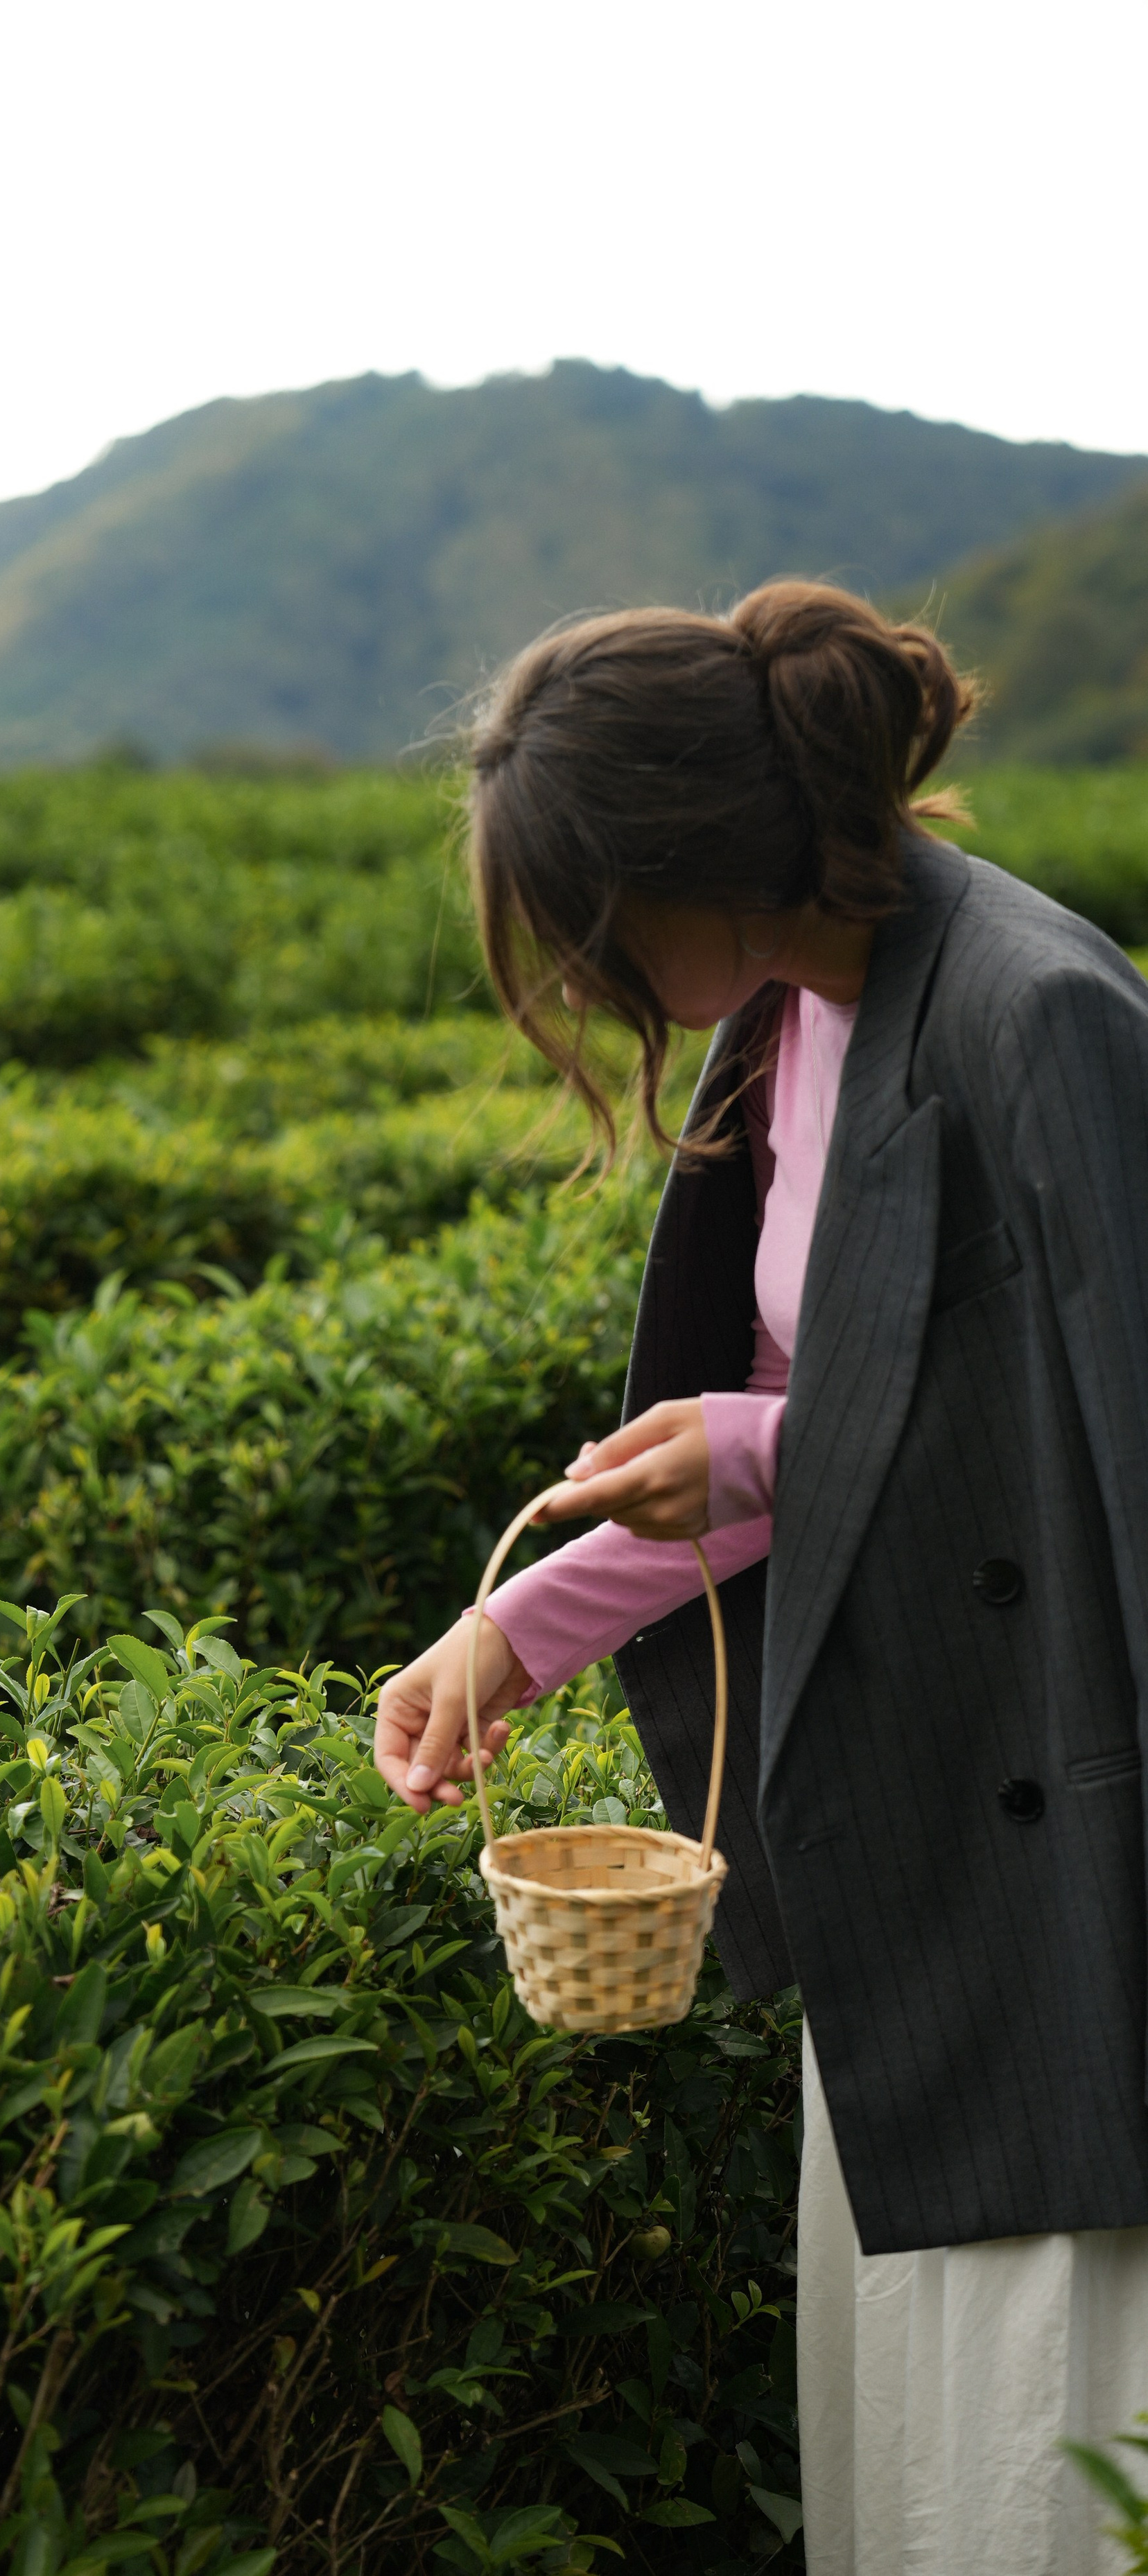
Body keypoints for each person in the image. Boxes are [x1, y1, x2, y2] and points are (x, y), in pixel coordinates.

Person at [372, 581, 1148, 2576]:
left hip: (1063, 1881)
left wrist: (764, 1443)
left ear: (685, 879)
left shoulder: (1036, 1010)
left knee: (1049, 2466)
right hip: (910, 1840)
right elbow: (803, 1433)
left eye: (588, 939)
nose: (591, 989)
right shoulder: (792, 1020)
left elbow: (1094, 1438)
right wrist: (513, 1631)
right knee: (922, 2463)